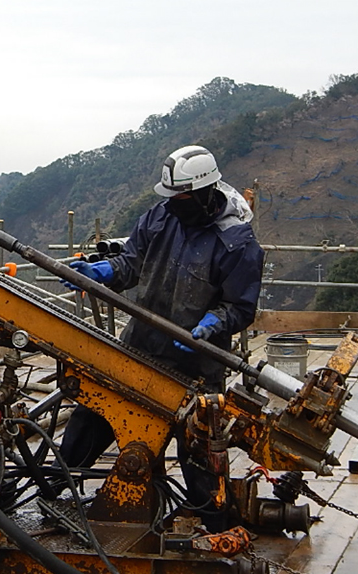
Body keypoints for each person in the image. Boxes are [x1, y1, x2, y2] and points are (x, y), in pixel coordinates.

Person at [60, 145, 264, 531]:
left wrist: (212, 324)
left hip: (199, 362)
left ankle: (213, 528)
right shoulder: (162, 215)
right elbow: (131, 263)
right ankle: (56, 482)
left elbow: (241, 307)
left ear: (206, 193)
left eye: (182, 197)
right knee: (97, 411)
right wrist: (102, 272)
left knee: (200, 448)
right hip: (142, 345)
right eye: (170, 196)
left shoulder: (236, 241)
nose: (174, 204)